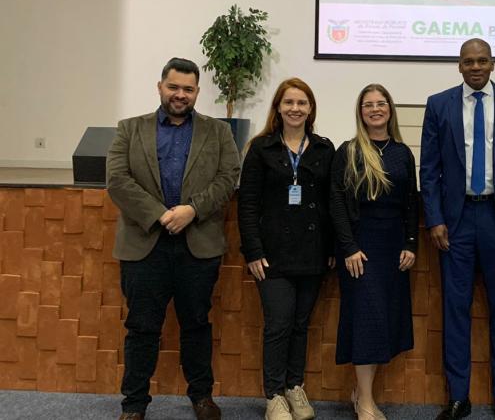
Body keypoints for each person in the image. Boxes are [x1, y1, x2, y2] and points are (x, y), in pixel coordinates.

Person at [107, 57, 240, 420]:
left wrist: (192, 210)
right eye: (174, 87)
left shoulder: (219, 132)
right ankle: (134, 405)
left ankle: (201, 397)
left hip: (197, 244)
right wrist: (160, 214)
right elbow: (117, 180)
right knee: (141, 327)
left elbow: (228, 178)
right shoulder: (129, 129)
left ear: (197, 92)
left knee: (196, 324)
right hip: (144, 243)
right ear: (160, 87)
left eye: (188, 89)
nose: (180, 95)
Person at [420, 38, 495, 420]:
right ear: (459, 66)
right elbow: (429, 169)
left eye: (482, 60)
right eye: (468, 61)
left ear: (493, 64)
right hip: (456, 222)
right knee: (456, 311)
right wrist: (434, 218)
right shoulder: (439, 104)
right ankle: (458, 397)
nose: (476, 67)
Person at [238, 78, 335, 420]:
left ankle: (295, 387)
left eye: (302, 103)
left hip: (313, 253)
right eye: (289, 102)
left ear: (311, 109)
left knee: (300, 324)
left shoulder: (324, 149)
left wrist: (333, 247)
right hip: (271, 255)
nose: (295, 108)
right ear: (278, 108)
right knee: (278, 323)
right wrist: (252, 251)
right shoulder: (261, 149)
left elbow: (331, 203)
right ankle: (274, 395)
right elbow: (247, 205)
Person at [331, 84, 419, 420]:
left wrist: (411, 243)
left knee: (383, 321)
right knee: (366, 319)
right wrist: (349, 247)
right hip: (359, 248)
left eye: (381, 103)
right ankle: (365, 401)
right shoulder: (349, 151)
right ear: (360, 112)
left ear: (390, 110)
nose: (375, 109)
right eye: (368, 104)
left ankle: (361, 392)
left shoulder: (402, 153)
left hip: (392, 247)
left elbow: (411, 203)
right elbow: (336, 202)